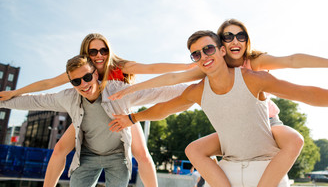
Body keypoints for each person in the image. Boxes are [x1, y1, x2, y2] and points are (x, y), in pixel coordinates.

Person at [108, 19, 328, 186]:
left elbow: (298, 72)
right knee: (194, 149)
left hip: (265, 123)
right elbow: (170, 90)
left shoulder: (255, 68)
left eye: (240, 36)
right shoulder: (202, 76)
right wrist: (132, 109)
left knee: (294, 139)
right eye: (227, 36)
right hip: (229, 131)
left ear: (239, 44)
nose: (234, 41)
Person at [0, 33, 194, 187]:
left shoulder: (118, 65)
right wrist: (15, 93)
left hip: (120, 110)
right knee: (59, 148)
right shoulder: (80, 70)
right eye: (93, 52)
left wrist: (187, 68)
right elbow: (47, 84)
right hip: (89, 116)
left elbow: (152, 70)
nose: (99, 55)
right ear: (86, 55)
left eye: (103, 50)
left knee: (142, 154)